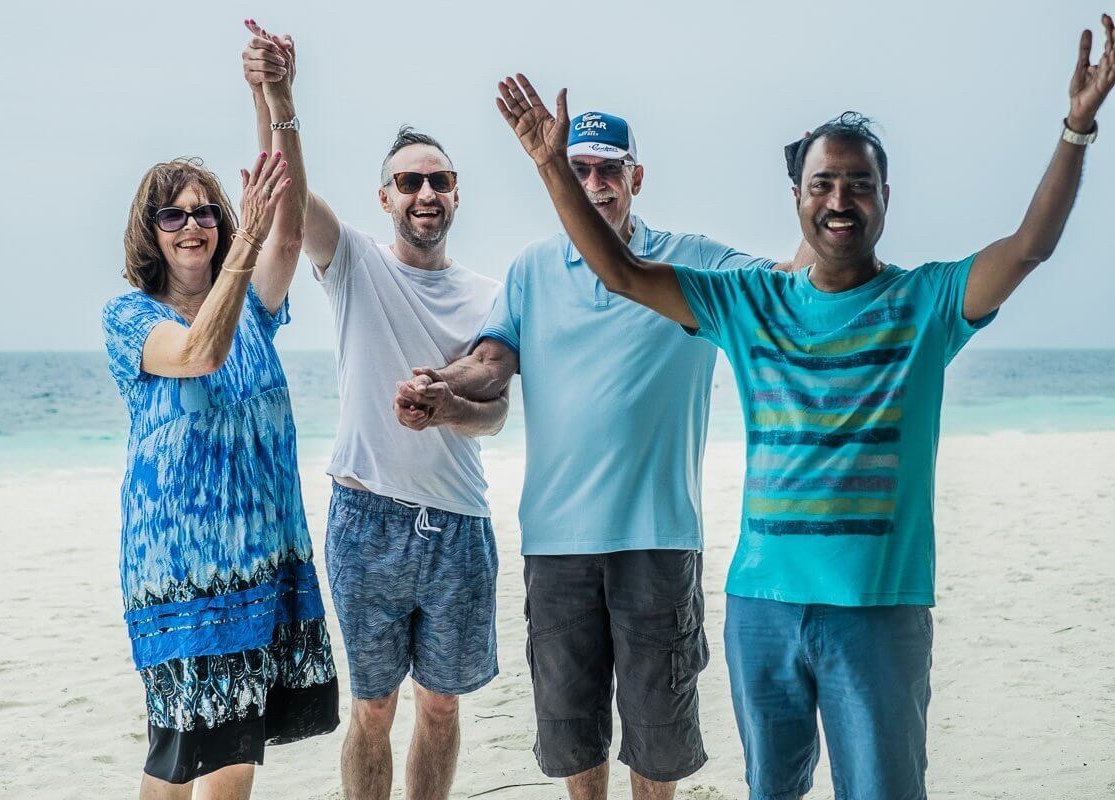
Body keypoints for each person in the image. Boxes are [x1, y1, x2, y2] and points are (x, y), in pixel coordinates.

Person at [491, 14, 1113, 798]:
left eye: (858, 183)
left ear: (887, 195)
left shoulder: (927, 303)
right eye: (823, 183)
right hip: (762, 608)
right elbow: (619, 270)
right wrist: (552, 169)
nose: (840, 200)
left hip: (877, 610)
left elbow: (1028, 246)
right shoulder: (748, 301)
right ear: (797, 197)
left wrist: (1077, 128)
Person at [393, 111, 811, 799]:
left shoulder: (691, 261)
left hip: (658, 538)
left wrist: (810, 187)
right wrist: (441, 385)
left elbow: (789, 282)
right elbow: (493, 361)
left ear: (634, 178)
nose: (594, 183)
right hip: (556, 546)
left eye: (608, 168)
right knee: (573, 739)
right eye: (579, 168)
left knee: (659, 742)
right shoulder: (531, 268)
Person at [241, 26, 504, 800]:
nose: (427, 194)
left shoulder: (491, 296)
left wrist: (449, 406)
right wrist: (277, 95)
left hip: (458, 523)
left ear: (456, 193)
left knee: (444, 708)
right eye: (411, 182)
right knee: (372, 707)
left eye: (440, 181)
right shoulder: (353, 261)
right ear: (384, 197)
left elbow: (493, 416)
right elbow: (282, 197)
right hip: (366, 519)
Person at [102, 27, 338, 800]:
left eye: (206, 211)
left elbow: (290, 224)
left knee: (235, 755)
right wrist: (245, 240)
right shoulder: (131, 319)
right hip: (183, 576)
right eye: (174, 216)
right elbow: (200, 352)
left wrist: (274, 96)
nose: (195, 223)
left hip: (261, 563)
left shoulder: (257, 313)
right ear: (152, 233)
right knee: (179, 758)